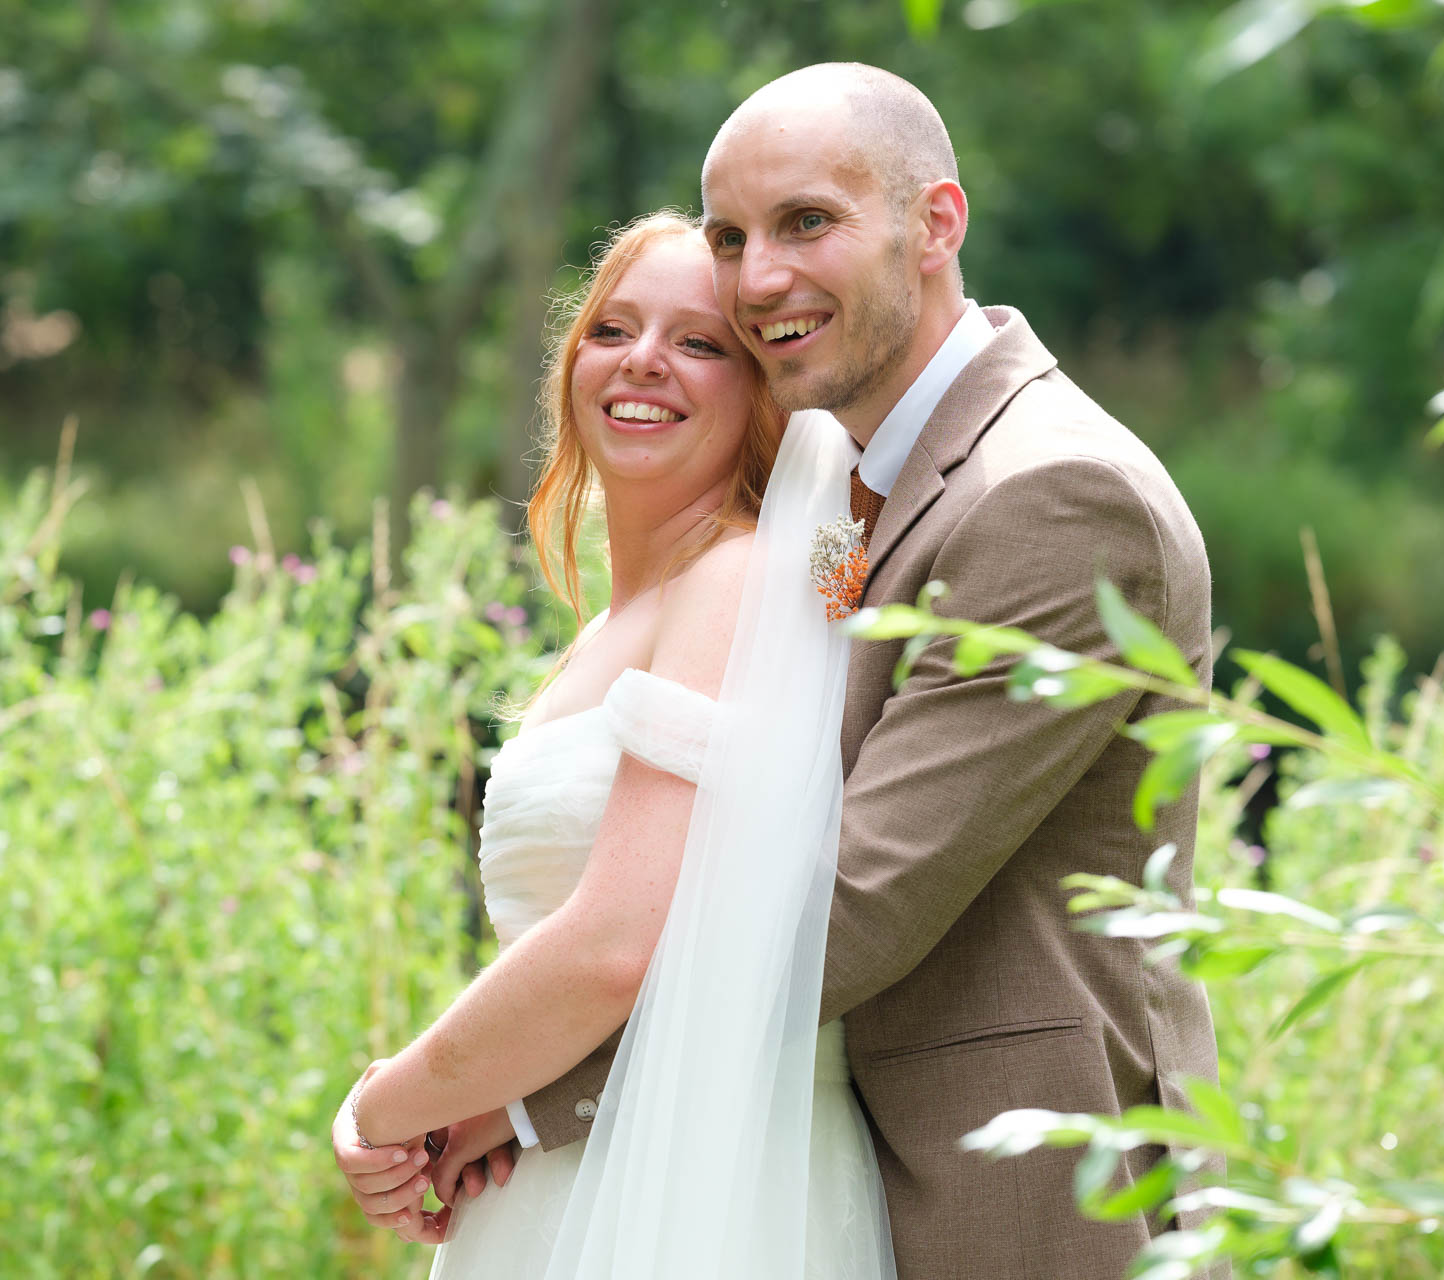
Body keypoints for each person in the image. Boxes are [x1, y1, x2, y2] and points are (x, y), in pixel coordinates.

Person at [514, 64, 1226, 1278]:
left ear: (936, 223)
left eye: (807, 222)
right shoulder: (842, 478)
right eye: (731, 237)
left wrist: (523, 1099)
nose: (757, 280)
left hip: (1031, 1201)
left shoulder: (1052, 491)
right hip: (836, 1186)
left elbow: (854, 898)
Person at [331, 210, 896, 1277]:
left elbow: (614, 948)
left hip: (693, 1198)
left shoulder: (737, 582)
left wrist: (384, 1107)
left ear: (764, 391)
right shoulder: (607, 628)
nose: (643, 360)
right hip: (558, 1178)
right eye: (612, 328)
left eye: (699, 343)